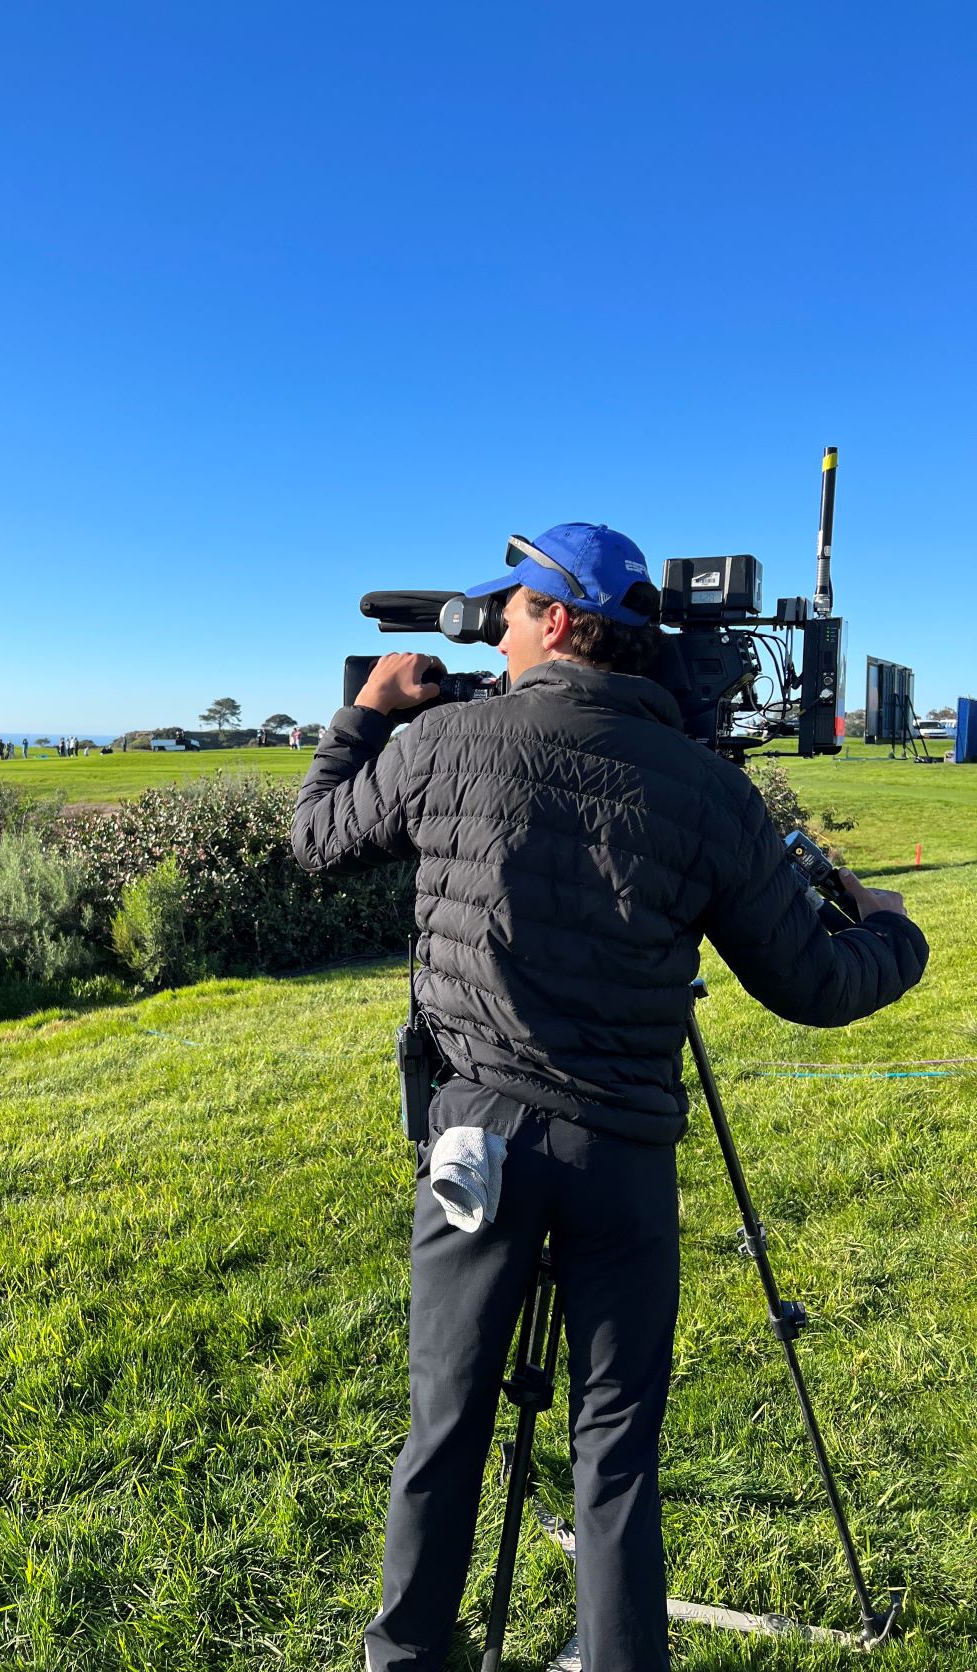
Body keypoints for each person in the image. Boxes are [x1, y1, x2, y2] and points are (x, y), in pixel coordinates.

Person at [291, 522, 929, 1672]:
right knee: (617, 1444)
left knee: (448, 1425)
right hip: (624, 1154)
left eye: (512, 614)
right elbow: (819, 983)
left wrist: (373, 710)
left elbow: (318, 838)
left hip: (476, 1140)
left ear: (560, 623)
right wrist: (893, 929)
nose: (497, 636)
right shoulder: (707, 788)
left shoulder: (450, 744)